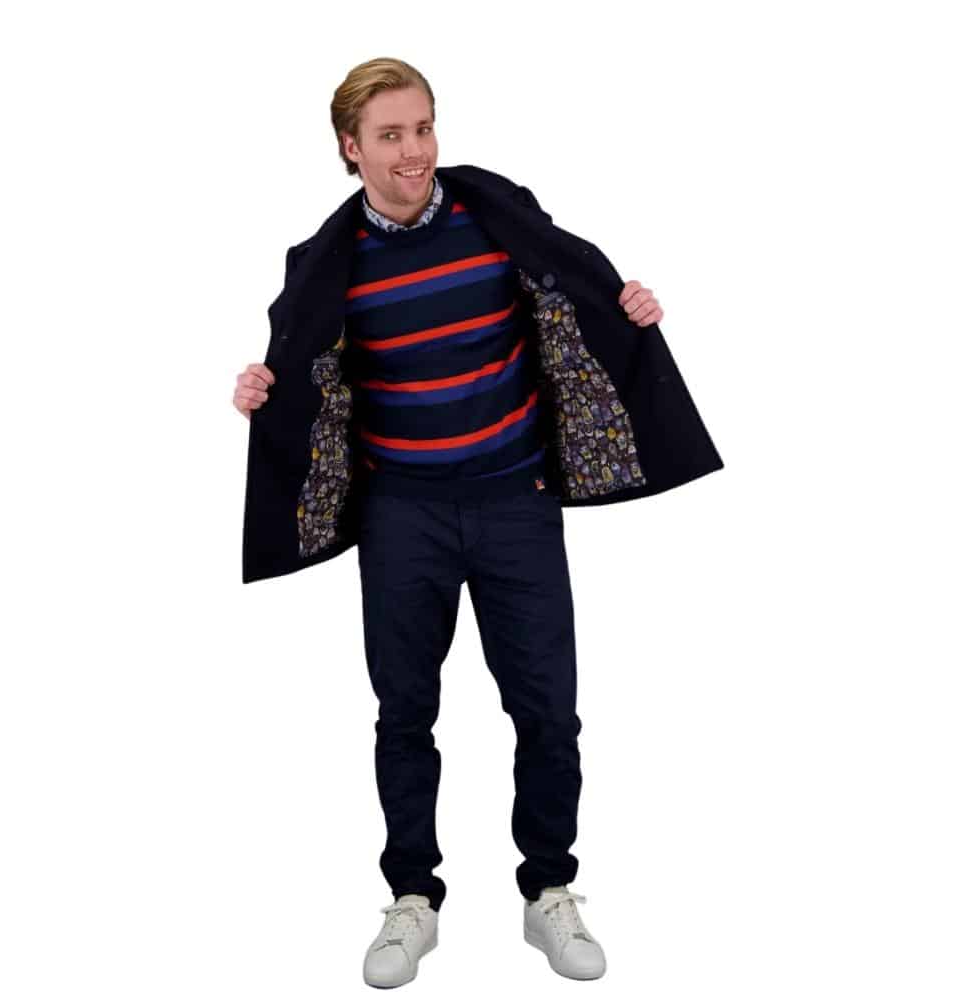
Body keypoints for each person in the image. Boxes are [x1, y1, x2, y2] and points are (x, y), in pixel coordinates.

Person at [234, 58, 668, 988]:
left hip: (517, 502)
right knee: (405, 712)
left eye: (423, 128)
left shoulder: (494, 214)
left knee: (548, 710)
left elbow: (577, 296)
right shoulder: (326, 262)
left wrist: (627, 308)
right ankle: (412, 899)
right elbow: (303, 373)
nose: (414, 151)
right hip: (404, 516)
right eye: (390, 135)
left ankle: (548, 888)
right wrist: (262, 392)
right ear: (350, 149)